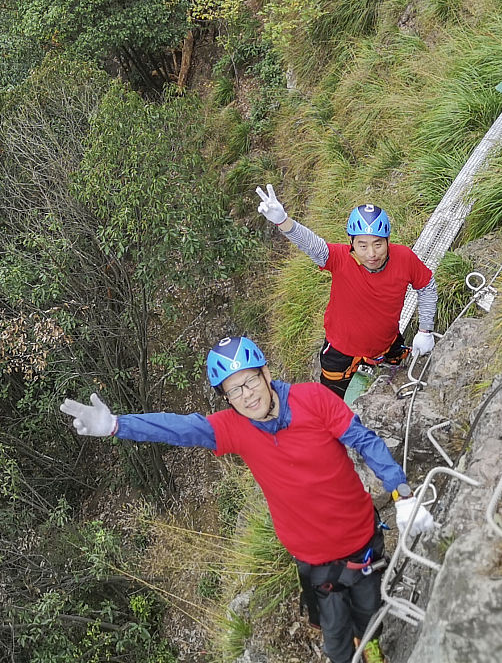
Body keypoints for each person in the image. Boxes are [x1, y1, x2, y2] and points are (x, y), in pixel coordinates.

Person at [61, 336, 432, 663]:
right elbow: (180, 427)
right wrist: (116, 426)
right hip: (314, 560)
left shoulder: (314, 400)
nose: (247, 395)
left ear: (266, 374)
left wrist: (402, 493)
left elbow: (364, 440)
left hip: (360, 541)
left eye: (250, 381)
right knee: (335, 643)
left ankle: (371, 644)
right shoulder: (234, 428)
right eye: (234, 390)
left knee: (371, 614)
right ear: (226, 399)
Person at [256, 190, 437, 397]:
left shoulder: (404, 258)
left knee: (405, 370)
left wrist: (425, 330)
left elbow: (426, 286)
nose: (371, 253)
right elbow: (312, 245)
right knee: (330, 402)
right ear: (351, 243)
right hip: (340, 349)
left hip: (387, 343)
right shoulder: (340, 259)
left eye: (378, 244)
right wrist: (283, 222)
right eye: (362, 245)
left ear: (388, 240)